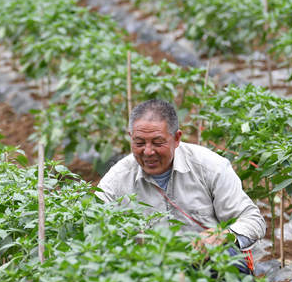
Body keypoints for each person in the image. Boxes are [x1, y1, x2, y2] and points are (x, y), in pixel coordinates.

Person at [97, 99, 265, 272]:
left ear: (176, 138)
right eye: (139, 143)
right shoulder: (117, 180)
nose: (148, 152)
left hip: (205, 263)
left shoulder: (210, 166)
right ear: (131, 137)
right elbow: (91, 226)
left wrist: (223, 236)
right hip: (150, 273)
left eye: (157, 142)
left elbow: (253, 220)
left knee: (229, 257)